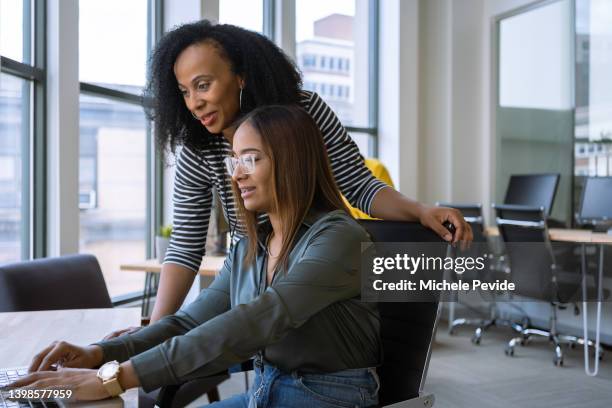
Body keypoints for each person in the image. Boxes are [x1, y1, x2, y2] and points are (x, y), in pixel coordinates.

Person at [104, 20, 471, 337]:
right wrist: (155, 327)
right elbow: (185, 244)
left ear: (241, 77)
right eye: (184, 91)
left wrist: (420, 210)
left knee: (208, 343)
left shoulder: (304, 112)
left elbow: (359, 186)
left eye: (203, 85)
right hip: (257, 270)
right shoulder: (199, 148)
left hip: (317, 268)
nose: (193, 103)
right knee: (192, 339)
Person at [9, 106, 381, 407]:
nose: (236, 175)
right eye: (234, 160)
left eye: (250, 159)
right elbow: (186, 323)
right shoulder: (254, 245)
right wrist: (98, 353)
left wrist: (113, 379)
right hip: (265, 392)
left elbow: (254, 322)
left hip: (328, 399)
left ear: (292, 162)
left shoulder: (340, 239)